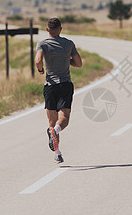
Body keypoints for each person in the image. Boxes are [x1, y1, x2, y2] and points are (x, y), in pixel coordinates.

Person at [35, 17, 82, 163]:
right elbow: (79, 63)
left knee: (52, 121)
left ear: (47, 29)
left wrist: (41, 70)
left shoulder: (42, 44)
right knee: (64, 119)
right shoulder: (69, 44)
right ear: (60, 29)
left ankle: (57, 153)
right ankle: (55, 132)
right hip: (65, 85)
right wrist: (66, 60)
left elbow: (38, 60)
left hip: (50, 86)